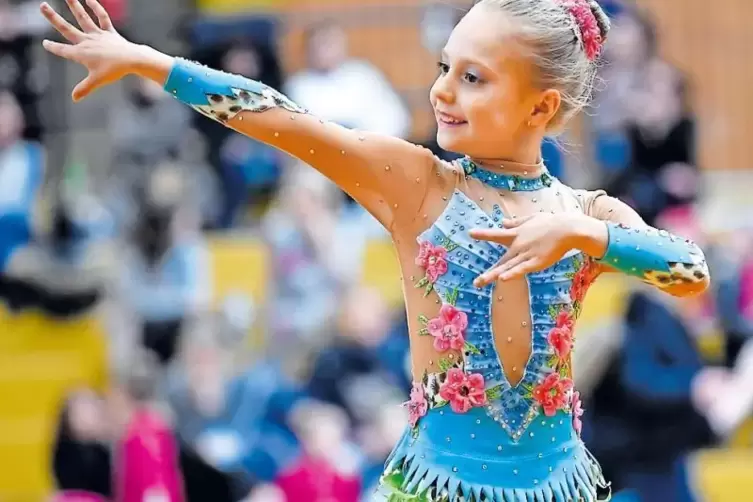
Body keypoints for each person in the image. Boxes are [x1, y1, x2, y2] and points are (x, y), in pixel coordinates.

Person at [39, 0, 711, 500]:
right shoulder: (417, 184)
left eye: (473, 78)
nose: (441, 91)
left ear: (540, 108)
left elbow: (689, 271)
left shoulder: (586, 213)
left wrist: (585, 236)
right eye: (444, 67)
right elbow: (279, 117)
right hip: (433, 486)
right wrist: (152, 63)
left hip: (551, 487)